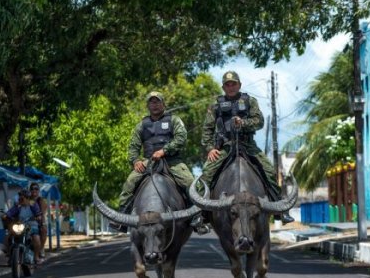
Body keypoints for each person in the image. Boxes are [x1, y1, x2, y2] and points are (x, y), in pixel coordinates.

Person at [200, 70, 294, 224]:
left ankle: (280, 210)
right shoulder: (215, 105)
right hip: (226, 146)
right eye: (227, 84)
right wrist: (210, 148)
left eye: (233, 84)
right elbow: (207, 129)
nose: (230, 87)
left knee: (269, 171)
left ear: (239, 85)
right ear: (223, 87)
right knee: (206, 174)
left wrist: (243, 123)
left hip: (248, 145)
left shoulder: (250, 101)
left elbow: (259, 121)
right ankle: (201, 214)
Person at [110, 90, 209, 234]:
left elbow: (181, 138)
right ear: (148, 105)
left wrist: (164, 151)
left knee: (189, 183)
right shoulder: (142, 124)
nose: (155, 105)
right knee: (130, 183)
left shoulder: (174, 120)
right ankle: (121, 219)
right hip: (148, 161)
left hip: (172, 161)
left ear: (164, 104)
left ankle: (197, 217)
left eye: (157, 101)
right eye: (151, 102)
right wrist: (135, 160)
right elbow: (133, 146)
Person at [3, 189, 44, 264]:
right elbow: (10, 212)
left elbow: (38, 213)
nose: (20, 200)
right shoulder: (18, 205)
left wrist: (38, 216)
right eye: (19, 198)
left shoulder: (33, 204)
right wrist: (5, 215)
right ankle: (10, 255)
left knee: (36, 238)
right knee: (8, 236)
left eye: (22, 198)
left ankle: (36, 257)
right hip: (20, 225)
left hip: (32, 224)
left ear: (27, 198)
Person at [29, 182, 48, 258]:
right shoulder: (26, 199)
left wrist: (42, 222)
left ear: (38, 190)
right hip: (25, 221)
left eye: (36, 189)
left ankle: (41, 248)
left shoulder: (41, 200)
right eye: (32, 189)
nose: (34, 190)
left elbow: (42, 213)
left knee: (44, 230)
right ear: (30, 190)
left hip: (37, 221)